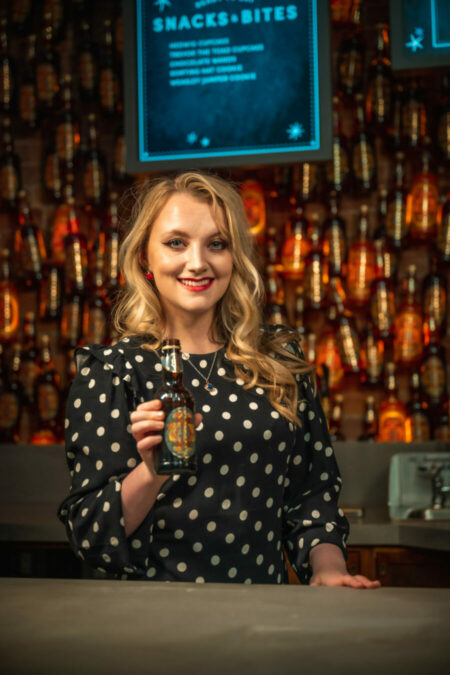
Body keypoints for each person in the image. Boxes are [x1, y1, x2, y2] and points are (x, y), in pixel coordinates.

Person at [58, 171, 380, 588]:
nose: (198, 262)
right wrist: (151, 472)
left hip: (267, 616)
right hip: (150, 626)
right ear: (144, 258)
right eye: (176, 242)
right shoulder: (113, 371)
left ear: (234, 257)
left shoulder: (277, 359)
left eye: (217, 244)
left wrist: (328, 569)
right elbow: (91, 536)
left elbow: (311, 495)